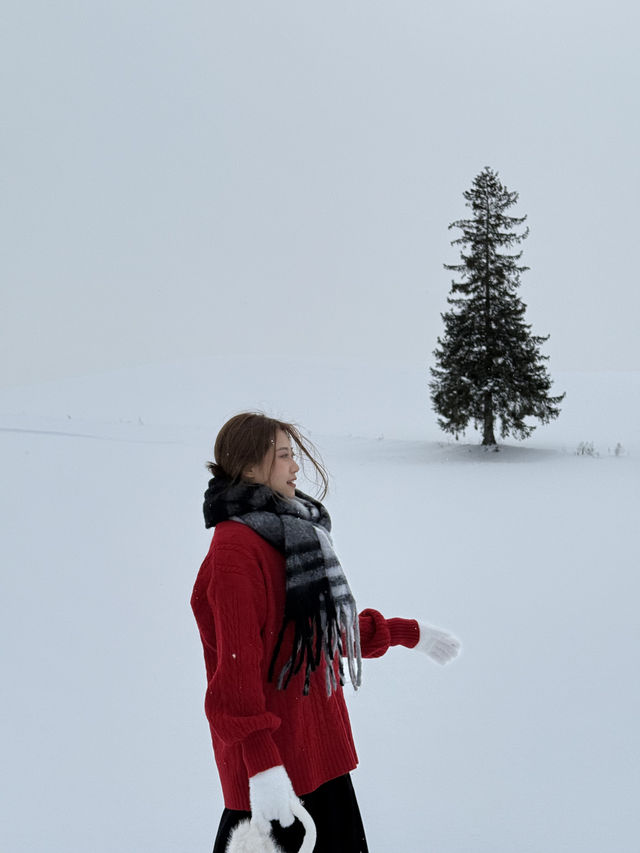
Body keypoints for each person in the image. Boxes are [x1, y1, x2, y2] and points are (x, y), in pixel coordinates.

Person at [191, 412, 461, 853]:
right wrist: (263, 769)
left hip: (321, 761)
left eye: (293, 455)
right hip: (274, 780)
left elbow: (322, 632)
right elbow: (234, 681)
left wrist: (406, 634)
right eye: (283, 456)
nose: (295, 467)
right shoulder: (235, 552)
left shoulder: (288, 535)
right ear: (251, 468)